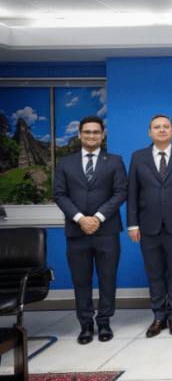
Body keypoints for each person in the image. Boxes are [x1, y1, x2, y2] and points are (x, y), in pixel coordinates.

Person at [53, 115, 127, 344]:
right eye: (87, 132)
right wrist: (80, 219)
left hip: (107, 231)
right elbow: (59, 195)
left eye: (96, 132)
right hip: (77, 232)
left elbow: (121, 192)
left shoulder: (115, 161)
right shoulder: (65, 163)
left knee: (108, 279)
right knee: (81, 280)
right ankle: (85, 324)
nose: (91, 135)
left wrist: (97, 217)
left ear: (102, 135)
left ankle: (104, 321)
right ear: (79, 135)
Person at [127, 114, 172, 338]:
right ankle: (158, 316)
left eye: (166, 126)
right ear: (150, 132)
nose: (161, 130)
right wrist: (132, 224)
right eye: (156, 127)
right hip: (147, 225)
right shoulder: (138, 156)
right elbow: (132, 192)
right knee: (154, 273)